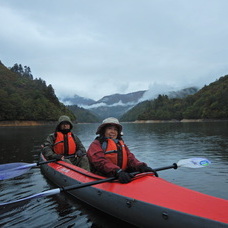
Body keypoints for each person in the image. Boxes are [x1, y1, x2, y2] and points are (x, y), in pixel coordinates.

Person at [87, 117, 155, 183]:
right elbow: (100, 161)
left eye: (115, 129)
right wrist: (117, 171)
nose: (112, 132)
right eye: (109, 128)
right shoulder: (96, 144)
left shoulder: (121, 144)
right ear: (103, 131)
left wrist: (141, 166)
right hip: (105, 176)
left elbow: (130, 158)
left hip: (120, 174)